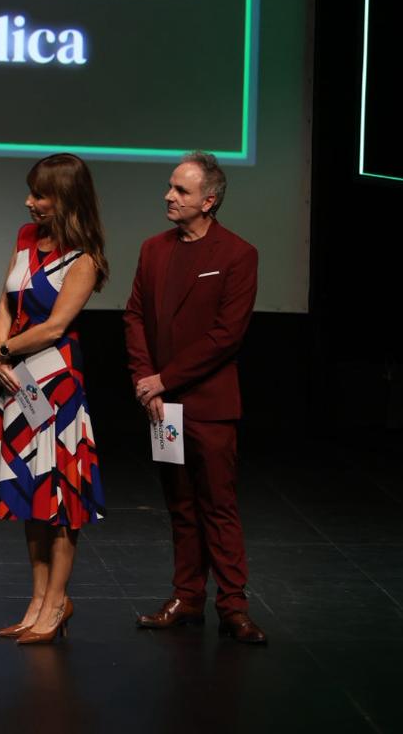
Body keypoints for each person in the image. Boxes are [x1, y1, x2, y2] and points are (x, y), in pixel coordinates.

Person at [125, 151, 266, 644]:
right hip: (162, 404)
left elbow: (227, 335)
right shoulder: (153, 249)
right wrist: (145, 379)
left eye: (181, 190)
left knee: (217, 506)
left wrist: (164, 379)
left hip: (209, 403)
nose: (169, 196)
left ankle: (233, 606)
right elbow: (135, 316)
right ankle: (187, 598)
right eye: (170, 186)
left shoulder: (237, 254)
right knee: (180, 504)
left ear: (209, 201)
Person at [0, 153, 109, 646]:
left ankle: (57, 602)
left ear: (66, 198)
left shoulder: (85, 259)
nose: (29, 202)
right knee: (31, 493)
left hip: (56, 386)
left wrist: (2, 351)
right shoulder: (25, 238)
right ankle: (35, 602)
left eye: (40, 194)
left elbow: (55, 327)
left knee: (61, 498)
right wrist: (1, 357)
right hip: (18, 382)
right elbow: (6, 300)